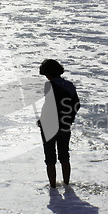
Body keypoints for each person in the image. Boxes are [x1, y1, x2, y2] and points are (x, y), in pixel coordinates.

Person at [38, 59, 80, 188]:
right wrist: (68, 118)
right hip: (65, 125)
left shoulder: (49, 85)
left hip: (49, 125)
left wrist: (41, 120)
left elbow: (50, 106)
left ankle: (53, 187)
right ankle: (66, 184)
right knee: (64, 156)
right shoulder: (69, 85)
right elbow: (77, 104)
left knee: (50, 159)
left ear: (48, 73)